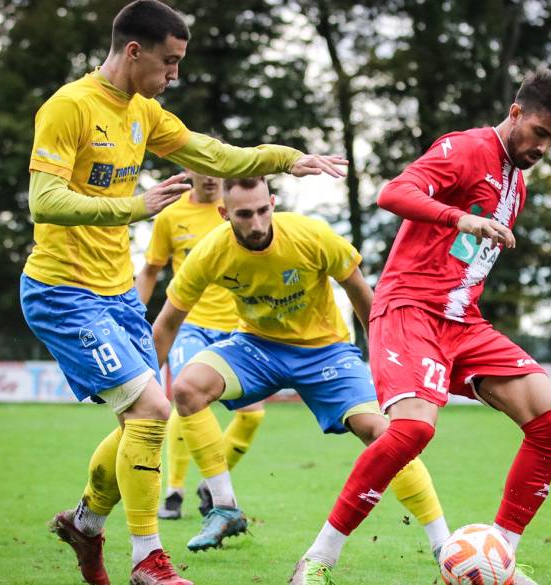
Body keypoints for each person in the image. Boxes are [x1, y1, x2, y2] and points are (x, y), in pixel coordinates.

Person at [19, 2, 347, 584]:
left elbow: (215, 155)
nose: (174, 74)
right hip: (62, 290)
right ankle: (148, 560)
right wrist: (134, 206)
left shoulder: (144, 111)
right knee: (151, 410)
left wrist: (290, 159)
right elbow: (43, 201)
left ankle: (86, 523)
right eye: (168, 61)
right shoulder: (69, 107)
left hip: (117, 293)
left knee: (141, 423)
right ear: (134, 51)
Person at [289, 67, 551, 585]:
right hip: (409, 309)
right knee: (414, 430)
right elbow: (393, 193)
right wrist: (459, 217)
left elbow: (465, 261)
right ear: (515, 112)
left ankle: (499, 560)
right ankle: (317, 560)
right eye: (539, 132)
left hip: (462, 321)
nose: (543, 147)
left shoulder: (516, 184)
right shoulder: (466, 148)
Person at [151, 177, 450, 555]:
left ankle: (443, 543)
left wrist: (385, 360)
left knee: (384, 433)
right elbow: (166, 324)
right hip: (257, 347)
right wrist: (145, 391)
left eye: (263, 210)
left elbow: (361, 293)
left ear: (273, 203)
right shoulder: (210, 252)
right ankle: (224, 508)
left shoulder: (312, 236)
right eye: (244, 215)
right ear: (224, 214)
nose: (257, 223)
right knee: (186, 388)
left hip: (326, 352)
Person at [135, 170, 265, 521]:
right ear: (188, 170)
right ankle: (174, 491)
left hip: (238, 327)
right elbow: (150, 270)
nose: (210, 178)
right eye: (202, 170)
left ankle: (210, 485)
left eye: (216, 171)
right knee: (186, 397)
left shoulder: (240, 209)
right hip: (189, 325)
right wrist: (132, 315)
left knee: (253, 415)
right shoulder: (172, 214)